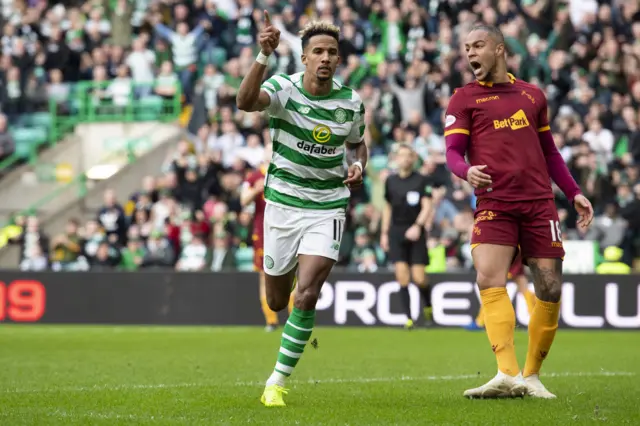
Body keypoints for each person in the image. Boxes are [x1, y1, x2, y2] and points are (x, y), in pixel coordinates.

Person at [445, 24, 594, 399]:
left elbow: (550, 152)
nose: (470, 54)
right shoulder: (464, 99)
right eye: (466, 48)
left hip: (539, 203)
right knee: (488, 278)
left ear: (499, 48)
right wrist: (467, 172)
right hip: (495, 202)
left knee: (550, 286)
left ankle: (532, 376)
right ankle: (506, 372)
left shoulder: (532, 95)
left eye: (477, 45)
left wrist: (573, 192)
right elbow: (452, 153)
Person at [236, 13, 368, 407]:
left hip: (327, 205)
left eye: (331, 52)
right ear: (305, 58)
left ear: (338, 59)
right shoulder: (283, 88)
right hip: (282, 204)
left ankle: (275, 382)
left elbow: (358, 143)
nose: (325, 57)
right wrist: (262, 55)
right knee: (278, 300)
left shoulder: (351, 101)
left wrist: (359, 164)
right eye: (317, 52)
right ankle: (296, 317)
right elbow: (244, 103)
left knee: (306, 294)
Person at [241, 142, 294, 332]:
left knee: (290, 272)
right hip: (263, 232)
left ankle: (293, 317)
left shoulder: (287, 173)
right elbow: (243, 200)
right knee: (265, 275)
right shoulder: (255, 177)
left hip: (287, 229)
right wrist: (257, 189)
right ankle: (271, 320)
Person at [380, 144, 434, 329]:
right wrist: (384, 233)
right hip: (396, 231)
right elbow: (387, 207)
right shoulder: (390, 181)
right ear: (396, 158)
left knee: (419, 278)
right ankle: (409, 319)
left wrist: (418, 226)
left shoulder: (422, 180)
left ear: (413, 159)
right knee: (402, 276)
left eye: (408, 156)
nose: (405, 159)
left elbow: (427, 206)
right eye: (401, 156)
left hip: (415, 230)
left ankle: (428, 306)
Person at [465, 253, 536, 331]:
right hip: (512, 254)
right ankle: (535, 322)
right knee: (523, 288)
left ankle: (480, 322)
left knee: (492, 289)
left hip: (508, 254)